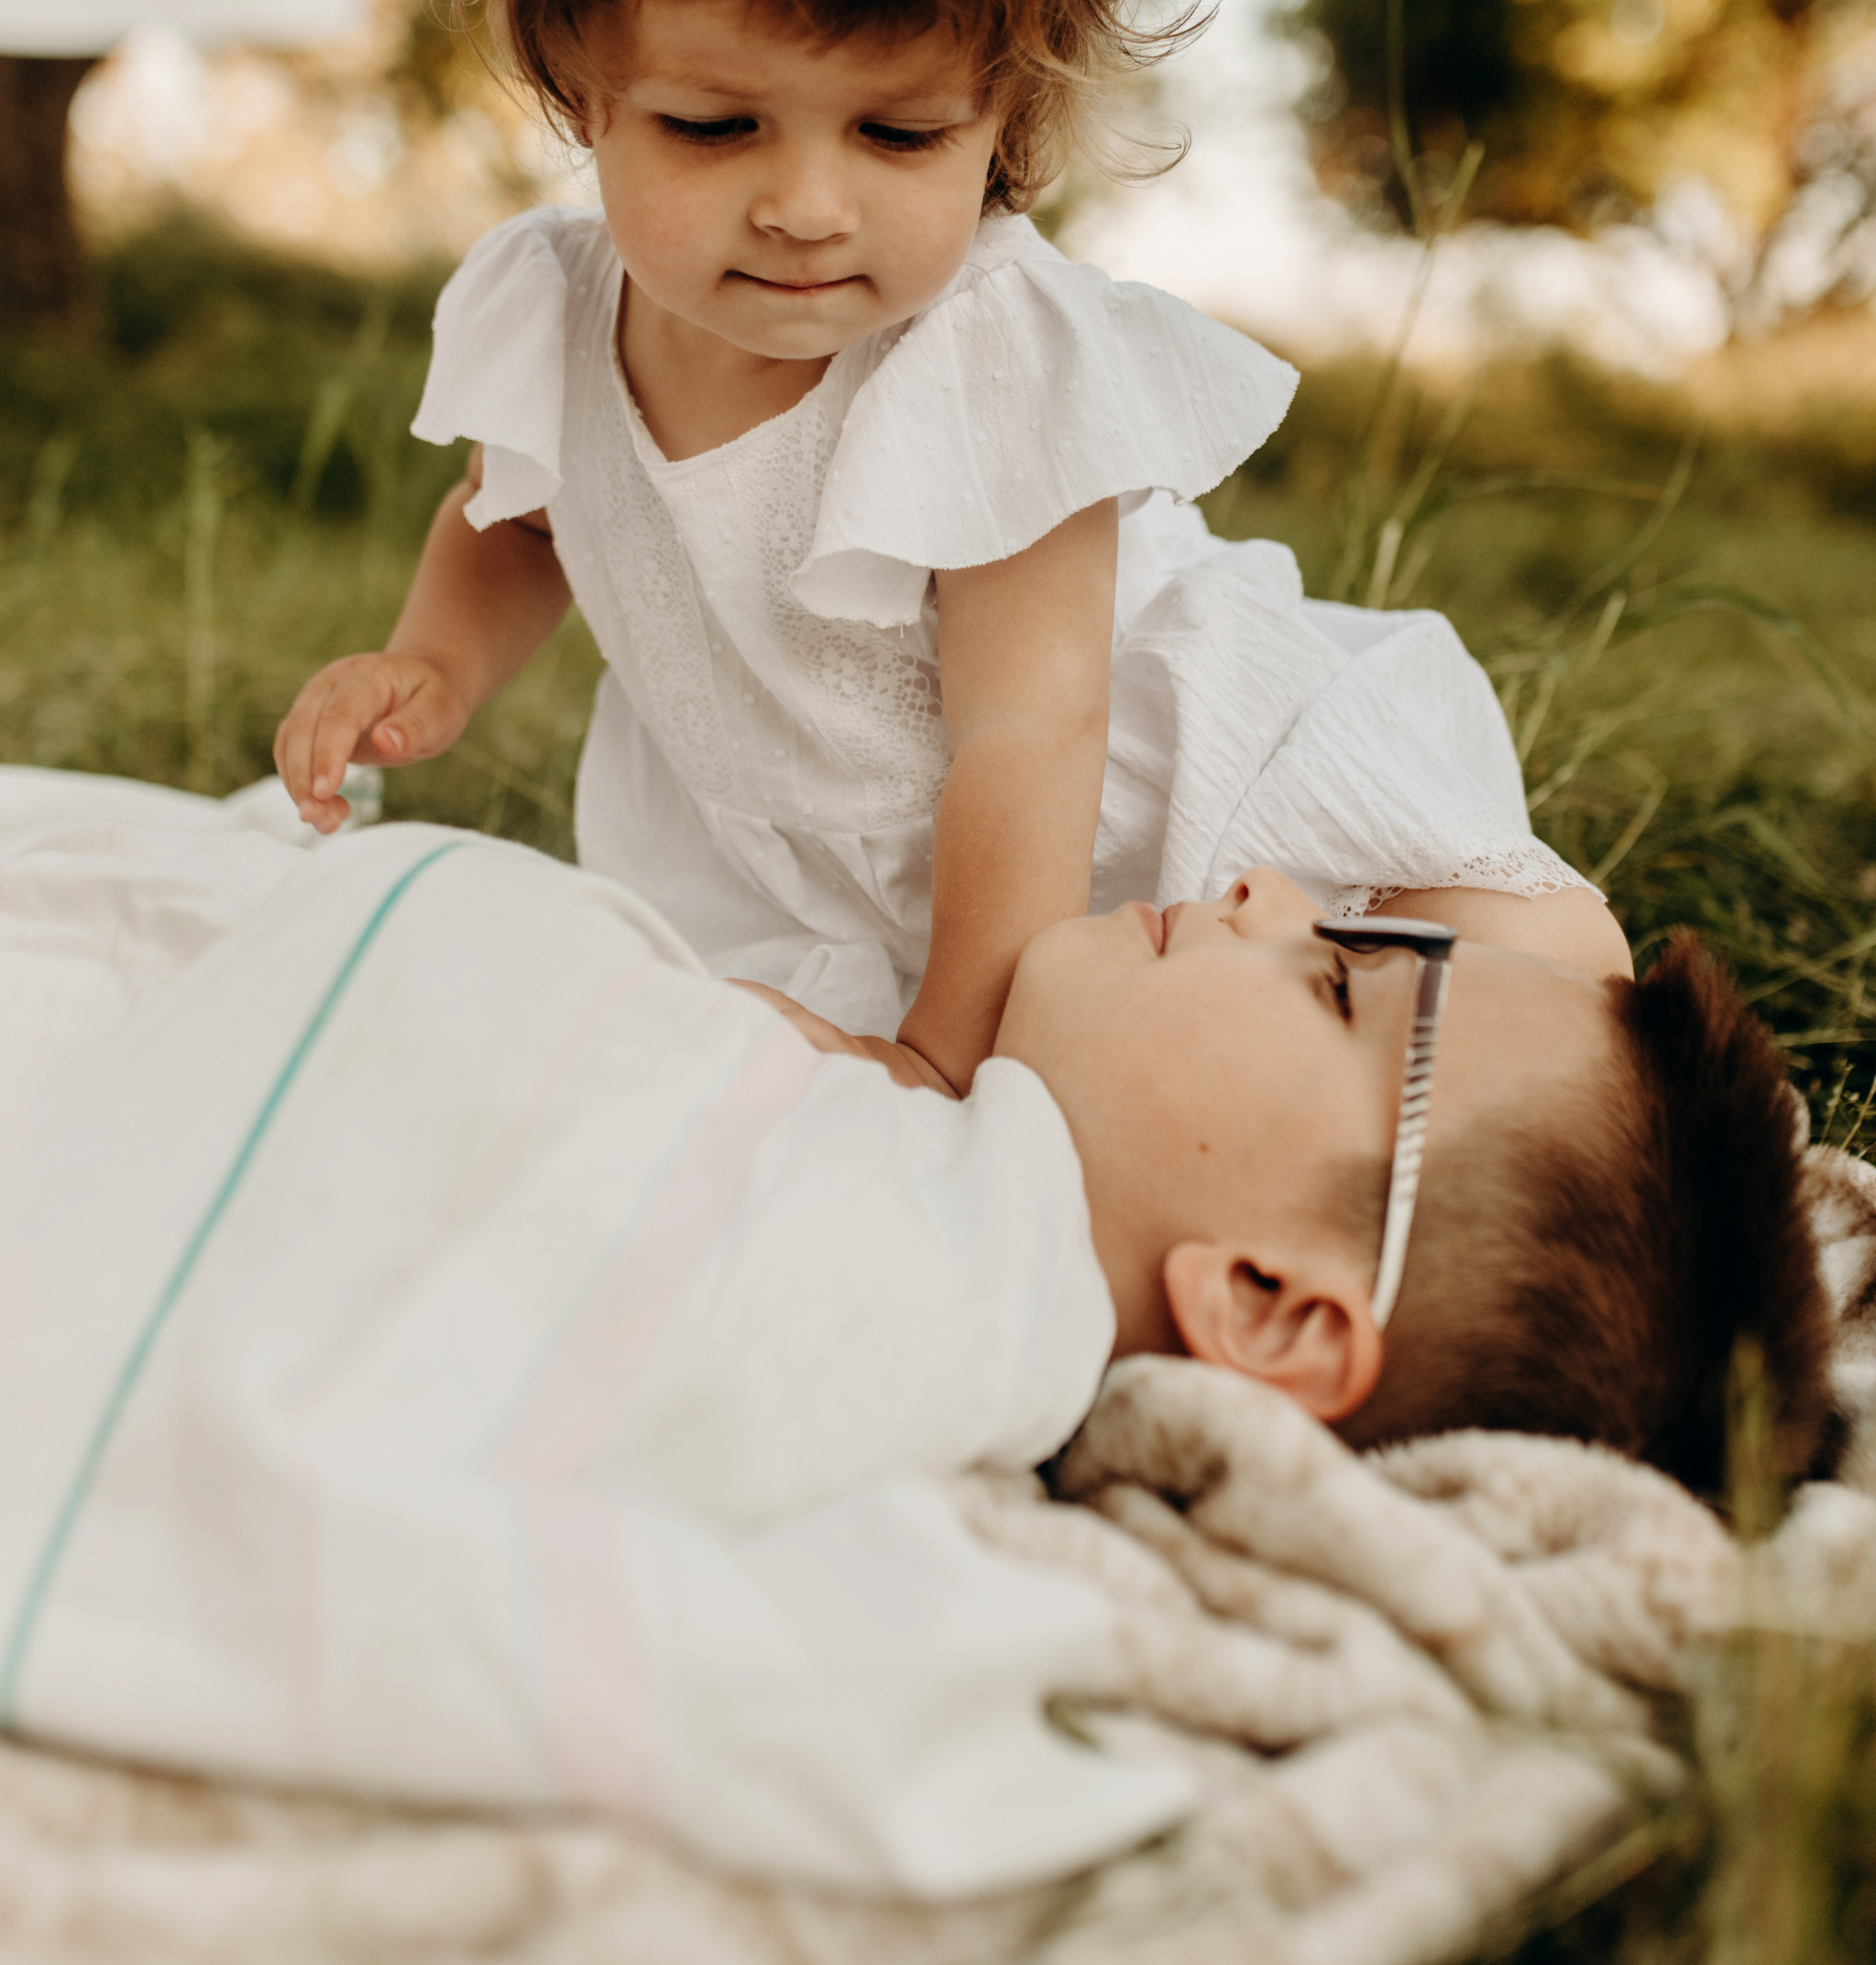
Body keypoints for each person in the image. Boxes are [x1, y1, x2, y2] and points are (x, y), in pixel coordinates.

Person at [273, 0, 1617, 1096]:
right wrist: (432, 665)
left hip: (1162, 815)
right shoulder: (557, 309)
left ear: (1006, 104)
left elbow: (1026, 746)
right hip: (830, 882)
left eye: (898, 137)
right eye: (714, 127)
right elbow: (520, 516)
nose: (804, 206)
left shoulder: (983, 363)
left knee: (1542, 983)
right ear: (578, 70)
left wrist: (945, 1059)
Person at [0, 782, 1831, 1896]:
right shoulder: (894, 1135)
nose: (1266, 894)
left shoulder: (912, 1300)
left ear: (1268, 1305)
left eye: (1341, 981)